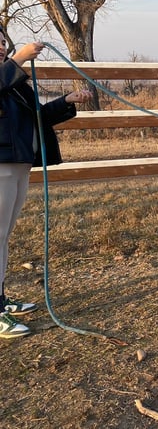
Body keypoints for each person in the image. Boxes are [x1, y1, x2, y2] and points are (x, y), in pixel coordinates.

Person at [0, 24, 92, 339]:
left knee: (3, 234)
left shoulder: (13, 83)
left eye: (2, 42)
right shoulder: (8, 76)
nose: (1, 47)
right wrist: (20, 58)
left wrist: (68, 99)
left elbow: (36, 115)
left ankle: (0, 300)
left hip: (18, 164)